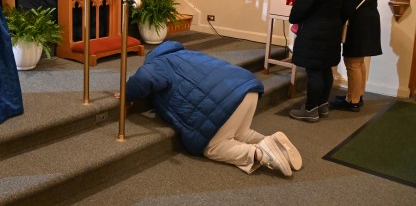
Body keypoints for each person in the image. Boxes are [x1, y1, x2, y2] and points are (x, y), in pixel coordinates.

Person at [123, 41, 302, 176]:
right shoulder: (185, 54)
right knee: (240, 134)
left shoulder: (157, 63)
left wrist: (126, 95)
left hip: (226, 102)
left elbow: (144, 78)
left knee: (214, 146)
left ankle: (260, 154)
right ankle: (271, 141)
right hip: (247, 87)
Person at [289, 0, 345, 122]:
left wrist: (294, 14)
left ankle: (310, 109)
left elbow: (303, 5)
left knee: (313, 71)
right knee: (325, 69)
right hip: (332, 30)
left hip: (316, 32)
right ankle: (322, 105)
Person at [330, 0, 382, 111]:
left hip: (358, 23)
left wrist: (336, 21)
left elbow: (348, 5)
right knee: (359, 62)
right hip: (368, 22)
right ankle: (358, 95)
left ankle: (351, 101)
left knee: (352, 62)